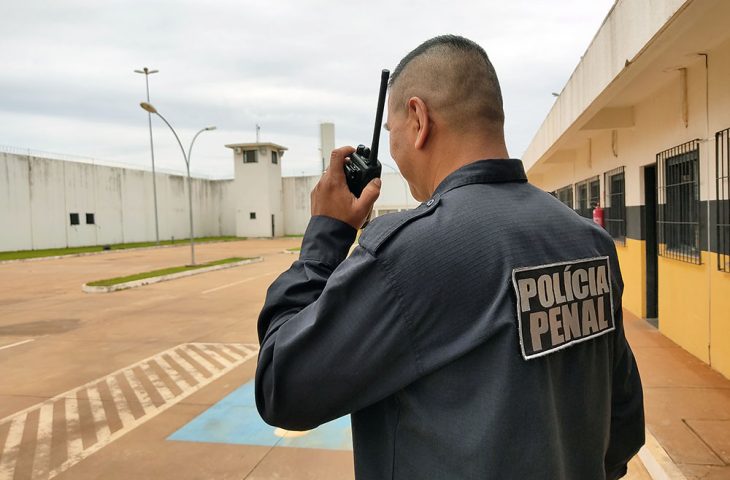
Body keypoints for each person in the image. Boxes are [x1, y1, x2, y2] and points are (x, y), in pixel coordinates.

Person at [256, 34, 644, 480]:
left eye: (392, 133)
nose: (393, 152)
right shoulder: (589, 242)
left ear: (418, 119)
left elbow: (281, 386)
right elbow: (622, 428)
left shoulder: (406, 255)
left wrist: (326, 235)